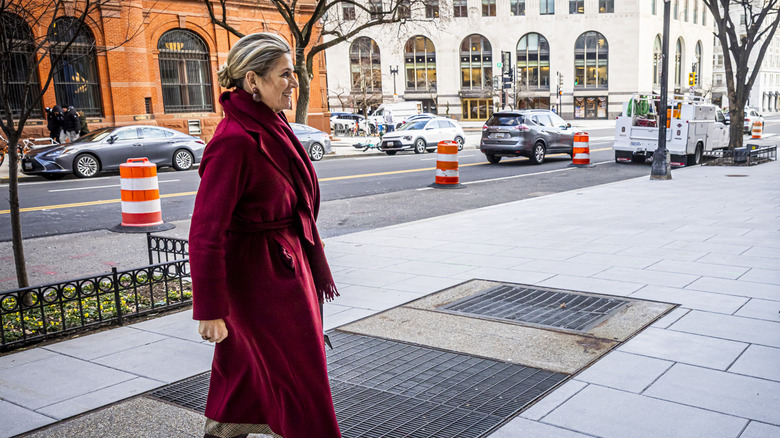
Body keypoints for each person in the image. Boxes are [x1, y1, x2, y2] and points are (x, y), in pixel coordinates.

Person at [189, 32, 341, 438]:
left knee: (246, 370)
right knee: (300, 378)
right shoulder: (233, 141)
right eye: (285, 74)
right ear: (252, 82)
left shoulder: (272, 124)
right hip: (261, 279)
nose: (294, 82)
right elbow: (206, 231)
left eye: (295, 73)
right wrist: (209, 308)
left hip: (286, 264)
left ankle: (222, 431)